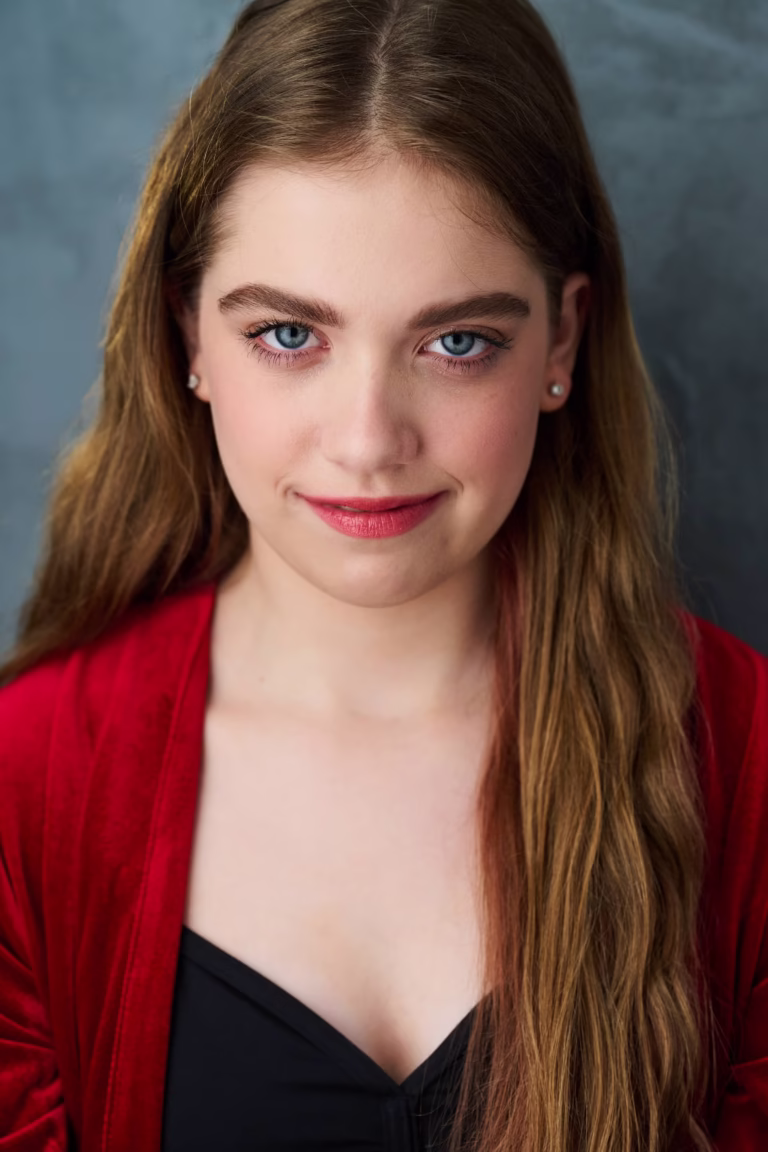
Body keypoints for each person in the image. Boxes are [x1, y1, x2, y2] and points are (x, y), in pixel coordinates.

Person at [1, 0, 766, 1148]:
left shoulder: (748, 760)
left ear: (561, 342)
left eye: (457, 342)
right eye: (288, 336)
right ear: (189, 335)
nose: (368, 442)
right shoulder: (25, 782)